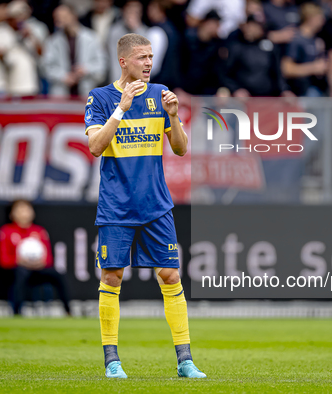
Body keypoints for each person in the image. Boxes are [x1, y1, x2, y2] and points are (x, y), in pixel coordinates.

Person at [84, 33, 206, 379]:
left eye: (151, 57)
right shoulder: (102, 97)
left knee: (170, 275)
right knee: (112, 275)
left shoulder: (160, 94)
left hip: (156, 204)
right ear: (123, 62)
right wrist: (121, 108)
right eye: (141, 57)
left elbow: (180, 149)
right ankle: (112, 362)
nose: (149, 63)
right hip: (117, 206)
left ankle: (185, 361)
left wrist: (174, 117)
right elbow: (95, 147)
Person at [0, 200, 71, 316]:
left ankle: (68, 311)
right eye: (20, 210)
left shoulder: (39, 231)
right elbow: (3, 260)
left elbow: (48, 259)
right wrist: (19, 261)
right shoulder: (6, 231)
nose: (24, 213)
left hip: (37, 269)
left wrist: (39, 263)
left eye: (26, 209)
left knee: (58, 274)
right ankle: (17, 312)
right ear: (12, 214)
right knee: (21, 273)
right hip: (17, 271)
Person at [41, 4, 107, 98]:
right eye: (56, 18)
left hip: (85, 90)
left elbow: (101, 66)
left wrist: (85, 69)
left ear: (73, 16)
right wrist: (63, 76)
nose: (58, 21)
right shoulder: (52, 41)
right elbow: (46, 67)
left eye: (63, 16)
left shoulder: (92, 38)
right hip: (61, 93)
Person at [222, 14, 289, 96]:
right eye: (249, 25)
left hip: (266, 96)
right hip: (242, 97)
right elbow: (225, 74)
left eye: (255, 26)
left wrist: (284, 90)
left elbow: (277, 73)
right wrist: (235, 89)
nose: (250, 29)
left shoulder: (270, 47)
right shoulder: (236, 47)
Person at [281, 2, 327, 97]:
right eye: (320, 18)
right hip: (301, 93)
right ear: (310, 18)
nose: (323, 21)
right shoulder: (296, 39)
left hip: (318, 90)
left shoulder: (316, 40)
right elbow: (287, 68)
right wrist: (313, 68)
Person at [182, 10, 224, 95]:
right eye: (215, 24)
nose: (217, 28)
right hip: (184, 88)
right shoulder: (187, 38)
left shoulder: (216, 44)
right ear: (206, 23)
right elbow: (178, 64)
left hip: (203, 92)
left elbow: (214, 72)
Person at [106, 0, 148, 84]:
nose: (132, 15)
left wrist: (135, 29)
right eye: (130, 11)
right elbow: (114, 60)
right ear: (124, 12)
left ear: (140, 14)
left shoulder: (145, 32)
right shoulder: (115, 31)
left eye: (135, 12)